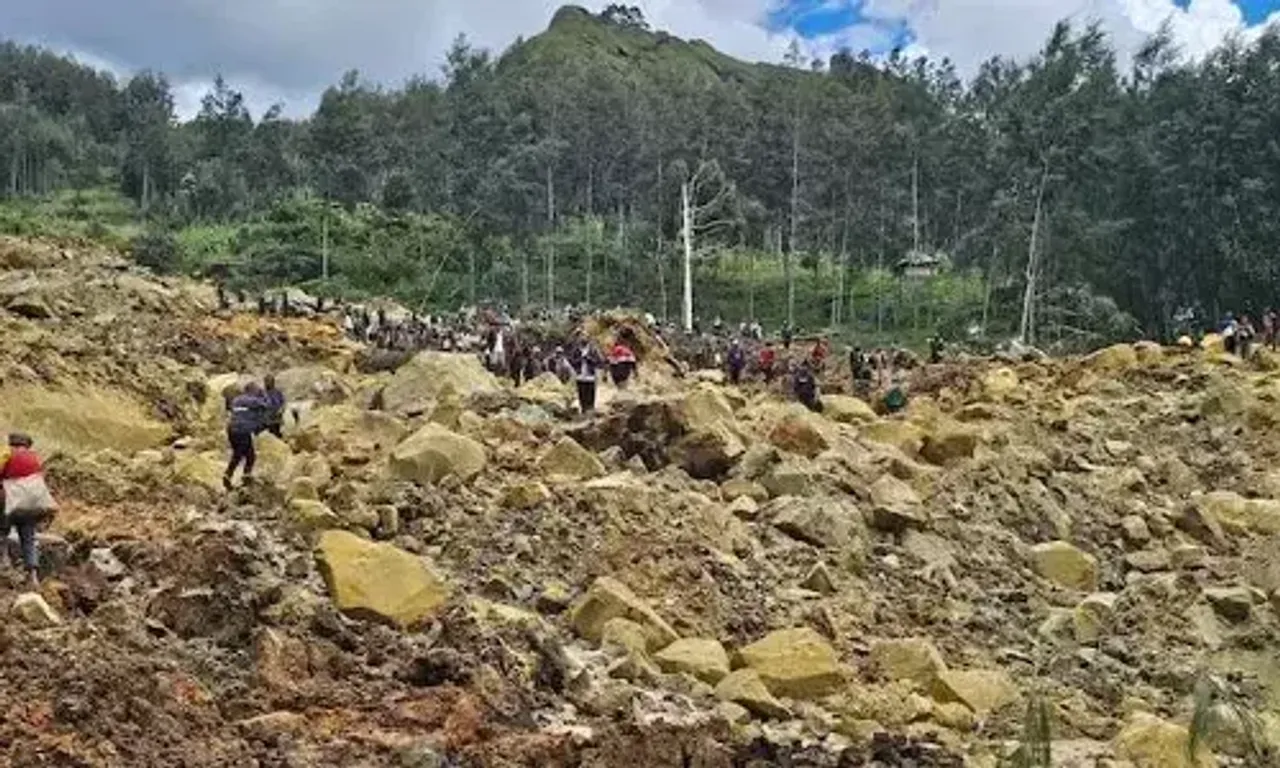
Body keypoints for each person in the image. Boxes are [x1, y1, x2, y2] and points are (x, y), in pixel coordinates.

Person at [0, 433, 54, 589]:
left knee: (2, 533)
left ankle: (4, 564)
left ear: (12, 443)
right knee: (28, 539)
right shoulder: (34, 457)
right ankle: (33, 576)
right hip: (32, 505)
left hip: (10, 500)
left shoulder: (7, 453)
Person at [225, 382, 269, 491]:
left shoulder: (236, 400)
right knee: (248, 456)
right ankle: (243, 477)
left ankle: (231, 476)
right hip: (243, 430)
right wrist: (263, 394)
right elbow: (266, 405)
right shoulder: (253, 400)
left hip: (231, 430)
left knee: (241, 454)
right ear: (253, 391)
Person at [572, 339, 604, 415]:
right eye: (581, 337)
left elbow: (599, 362)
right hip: (580, 376)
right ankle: (583, 410)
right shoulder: (576, 350)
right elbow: (572, 361)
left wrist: (589, 359)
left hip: (590, 377)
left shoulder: (593, 350)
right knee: (582, 394)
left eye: (585, 337)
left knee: (590, 394)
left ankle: (590, 411)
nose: (583, 339)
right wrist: (580, 360)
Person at [263, 374, 286, 438]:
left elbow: (283, 402)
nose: (268, 384)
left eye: (269, 382)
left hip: (276, 418)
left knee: (277, 434)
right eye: (266, 381)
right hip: (267, 419)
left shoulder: (278, 392)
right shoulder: (262, 393)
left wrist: (281, 410)